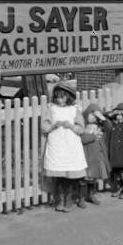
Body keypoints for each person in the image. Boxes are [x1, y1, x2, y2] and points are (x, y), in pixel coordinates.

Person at [41, 82, 87, 212]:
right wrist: (53, 126)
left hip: (70, 143)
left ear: (68, 97)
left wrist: (71, 126)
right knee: (58, 174)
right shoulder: (52, 109)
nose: (60, 100)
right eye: (57, 97)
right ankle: (59, 198)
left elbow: (81, 128)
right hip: (57, 143)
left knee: (69, 175)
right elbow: (45, 125)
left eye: (63, 97)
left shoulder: (74, 109)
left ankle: (69, 199)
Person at [79, 103, 111, 207]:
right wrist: (93, 136)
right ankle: (81, 198)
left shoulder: (99, 126)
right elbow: (82, 139)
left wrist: (101, 117)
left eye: (95, 115)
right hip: (85, 155)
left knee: (93, 177)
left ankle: (91, 194)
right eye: (91, 114)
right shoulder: (82, 126)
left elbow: (109, 127)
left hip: (96, 156)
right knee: (84, 178)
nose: (93, 117)